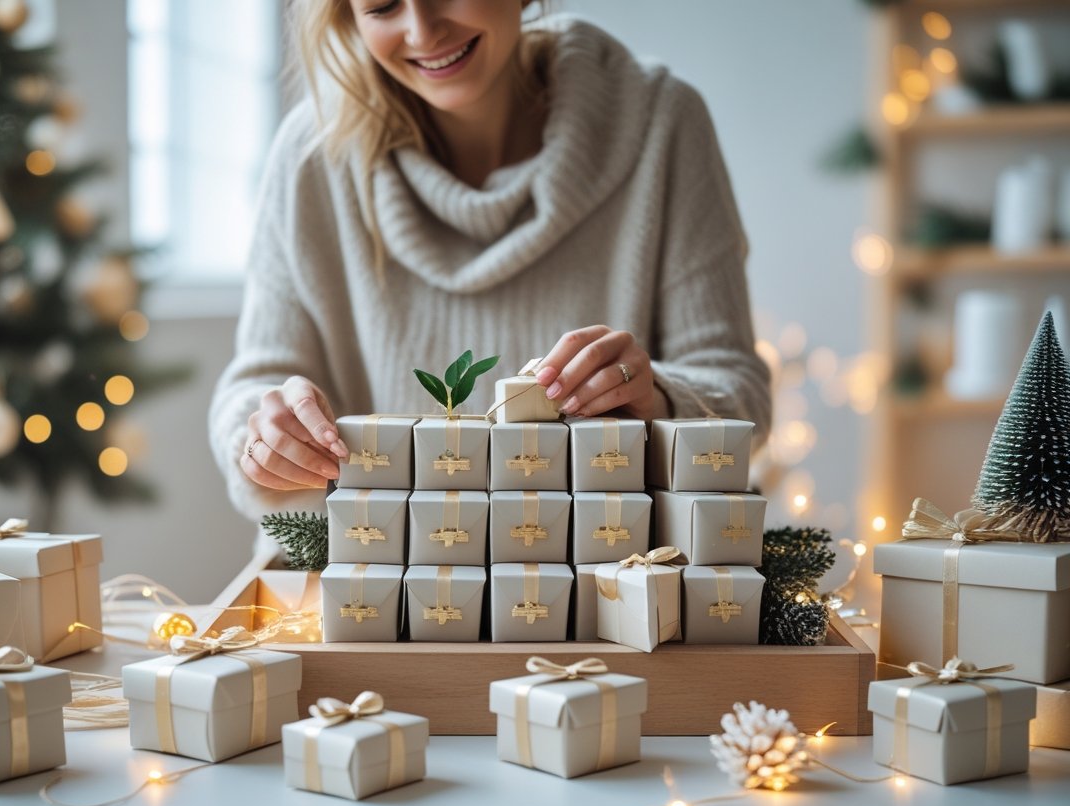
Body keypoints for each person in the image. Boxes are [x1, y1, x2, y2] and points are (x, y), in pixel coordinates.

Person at [210, 0, 771, 534]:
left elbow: (738, 391)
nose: (423, 31)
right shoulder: (312, 155)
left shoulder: (661, 122)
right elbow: (255, 387)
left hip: (610, 577)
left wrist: (658, 400)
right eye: (381, 6)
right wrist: (264, 438)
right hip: (360, 587)